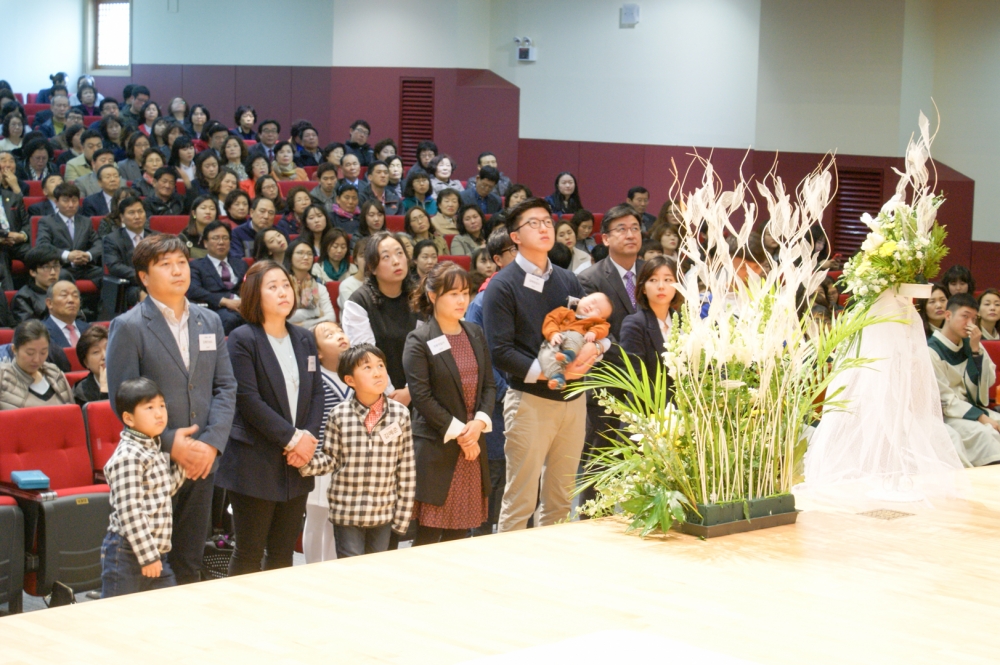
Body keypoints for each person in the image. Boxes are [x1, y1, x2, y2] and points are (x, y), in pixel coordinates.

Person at [106, 234, 238, 585]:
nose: (177, 270)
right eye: (165, 265)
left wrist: (210, 444)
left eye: (181, 262)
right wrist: (170, 443)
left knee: (191, 560)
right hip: (153, 465)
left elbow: (225, 386)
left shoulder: (208, 321)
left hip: (203, 460)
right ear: (144, 277)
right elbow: (121, 402)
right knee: (148, 567)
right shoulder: (129, 326)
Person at [482, 198, 603, 531]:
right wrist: (552, 373)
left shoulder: (568, 280)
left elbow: (584, 329)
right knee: (520, 500)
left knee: (562, 499)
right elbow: (500, 350)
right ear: (515, 236)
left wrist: (591, 353)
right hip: (530, 401)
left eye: (547, 222)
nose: (544, 228)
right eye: (533, 223)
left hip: (573, 399)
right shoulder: (502, 285)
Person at [213, 259, 323, 575]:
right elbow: (248, 400)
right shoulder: (243, 339)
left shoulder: (304, 338)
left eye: (286, 285)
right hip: (254, 460)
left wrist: (308, 439)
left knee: (282, 553)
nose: (282, 292)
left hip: (297, 460)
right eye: (272, 287)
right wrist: (292, 439)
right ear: (254, 295)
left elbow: (317, 393)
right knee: (249, 553)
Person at [402, 262, 495, 546]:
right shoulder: (419, 339)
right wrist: (462, 434)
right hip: (438, 446)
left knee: (460, 538)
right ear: (432, 296)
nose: (462, 300)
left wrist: (478, 424)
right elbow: (422, 397)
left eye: (465, 292)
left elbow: (489, 386)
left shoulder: (474, 332)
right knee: (428, 537)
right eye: (453, 293)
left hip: (472, 448)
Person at [296, 343, 415, 557]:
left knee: (377, 568)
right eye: (367, 367)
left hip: (383, 511)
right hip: (347, 511)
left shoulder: (400, 414)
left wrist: (402, 516)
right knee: (351, 570)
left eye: (380, 365)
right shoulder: (339, 414)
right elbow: (331, 459)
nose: (377, 372)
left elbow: (406, 468)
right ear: (350, 380)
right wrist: (304, 462)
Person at [101, 377, 186, 597]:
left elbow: (162, 491)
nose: (159, 413)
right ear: (128, 418)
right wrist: (148, 556)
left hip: (156, 552)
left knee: (167, 610)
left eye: (161, 405)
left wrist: (185, 464)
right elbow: (130, 512)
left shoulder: (152, 446)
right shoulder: (129, 456)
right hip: (128, 552)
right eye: (149, 408)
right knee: (119, 616)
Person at [465, 228, 517, 536]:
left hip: (527, 398)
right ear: (498, 259)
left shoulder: (532, 291)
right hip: (496, 404)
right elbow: (477, 356)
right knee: (492, 478)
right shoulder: (483, 301)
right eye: (514, 250)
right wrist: (506, 392)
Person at [342, 232, 419, 406]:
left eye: (400, 253)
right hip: (377, 397)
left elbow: (430, 348)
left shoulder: (419, 297)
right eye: (386, 257)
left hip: (419, 392)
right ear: (372, 267)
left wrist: (411, 390)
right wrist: (391, 396)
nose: (396, 261)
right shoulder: (359, 302)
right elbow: (365, 358)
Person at [928, 293, 1000, 467]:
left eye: (974, 319)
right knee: (985, 433)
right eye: (965, 316)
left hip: (974, 408)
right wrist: (982, 418)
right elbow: (945, 400)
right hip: (950, 415)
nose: (970, 324)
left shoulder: (972, 342)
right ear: (948, 315)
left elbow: (988, 381)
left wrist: (975, 351)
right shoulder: (931, 350)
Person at [303, 322, 352, 562]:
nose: (339, 336)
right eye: (329, 335)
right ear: (318, 352)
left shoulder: (357, 375)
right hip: (321, 459)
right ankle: (311, 566)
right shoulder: (315, 379)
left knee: (337, 521)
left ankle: (332, 569)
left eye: (340, 331)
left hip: (350, 462)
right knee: (316, 518)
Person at [578, 204, 644, 339]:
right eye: (622, 229)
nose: (630, 235)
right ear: (606, 239)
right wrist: (629, 358)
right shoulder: (590, 279)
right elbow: (593, 328)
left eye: (635, 228)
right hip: (615, 357)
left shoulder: (652, 272)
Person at [620, 255, 680, 381]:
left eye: (668, 280)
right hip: (650, 399)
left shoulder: (686, 322)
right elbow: (636, 377)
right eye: (653, 280)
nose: (661, 286)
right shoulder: (635, 324)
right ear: (643, 288)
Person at [538, 292, 612, 390]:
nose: (591, 307)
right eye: (592, 301)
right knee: (546, 355)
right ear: (582, 298)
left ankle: (569, 354)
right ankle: (557, 378)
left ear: (601, 319)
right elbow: (551, 320)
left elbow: (603, 328)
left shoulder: (593, 323)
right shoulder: (563, 311)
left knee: (574, 337)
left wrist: (594, 332)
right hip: (557, 339)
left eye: (597, 310)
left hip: (576, 340)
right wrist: (553, 333)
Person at [36, 182, 103, 284]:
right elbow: (43, 245)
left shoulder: (85, 221)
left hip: (84, 267)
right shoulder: (47, 222)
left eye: (74, 201)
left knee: (108, 276)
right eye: (66, 201)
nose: (71, 205)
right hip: (61, 267)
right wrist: (67, 256)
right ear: (56, 202)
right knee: (63, 275)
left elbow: (98, 243)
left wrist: (88, 255)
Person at [187, 221, 247, 335]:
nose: (221, 242)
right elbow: (194, 290)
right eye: (215, 238)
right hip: (215, 308)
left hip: (242, 306)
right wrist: (224, 301)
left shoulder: (241, 264)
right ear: (205, 243)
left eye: (225, 238)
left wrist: (245, 301)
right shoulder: (196, 266)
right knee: (230, 320)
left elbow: (251, 286)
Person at [0, 320, 73, 410]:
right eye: (30, 353)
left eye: (43, 352)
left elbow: (72, 413)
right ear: (14, 349)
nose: (37, 359)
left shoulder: (55, 373)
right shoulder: (2, 376)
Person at [104, 195, 157, 308]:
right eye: (131, 213)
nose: (137, 216)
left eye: (140, 211)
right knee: (146, 299)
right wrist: (143, 277)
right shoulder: (112, 239)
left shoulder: (156, 237)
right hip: (129, 285)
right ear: (122, 218)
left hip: (156, 282)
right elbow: (114, 266)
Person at [287, 241, 337, 330]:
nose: (306, 257)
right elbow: (285, 318)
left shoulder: (319, 287)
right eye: (300, 253)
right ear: (290, 257)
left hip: (315, 334)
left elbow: (331, 318)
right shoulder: (283, 286)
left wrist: (301, 325)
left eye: (309, 254)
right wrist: (316, 312)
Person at [0, 159, 30, 291]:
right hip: (1, 244)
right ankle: (8, 299)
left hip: (18, 242)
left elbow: (27, 222)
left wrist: (22, 236)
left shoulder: (13, 197)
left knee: (40, 253)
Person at [42, 280, 88, 346]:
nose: (71, 300)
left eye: (75, 296)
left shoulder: (88, 329)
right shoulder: (41, 332)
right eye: (64, 295)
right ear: (49, 303)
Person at [231, 196, 276, 263]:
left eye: (271, 213)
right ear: (252, 213)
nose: (266, 216)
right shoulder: (237, 233)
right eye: (262, 211)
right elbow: (237, 261)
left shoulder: (279, 233)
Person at [73, 324, 108, 405]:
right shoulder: (82, 392)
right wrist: (104, 391)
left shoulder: (129, 381)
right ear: (86, 362)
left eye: (108, 348)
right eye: (96, 352)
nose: (105, 356)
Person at [179, 196, 220, 260]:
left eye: (212, 209)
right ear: (194, 213)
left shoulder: (222, 235)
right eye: (203, 208)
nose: (208, 212)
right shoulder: (184, 237)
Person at [338, 238, 367, 311]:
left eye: (370, 256)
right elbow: (353, 313)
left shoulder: (383, 281)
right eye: (362, 256)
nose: (367, 260)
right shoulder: (347, 285)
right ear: (355, 260)